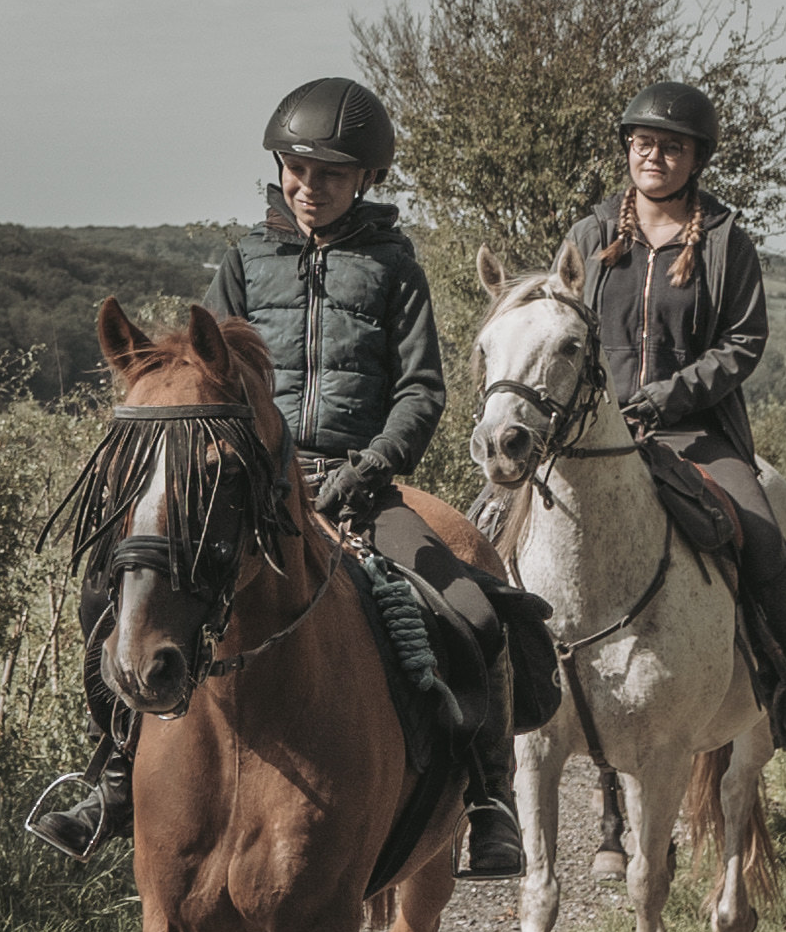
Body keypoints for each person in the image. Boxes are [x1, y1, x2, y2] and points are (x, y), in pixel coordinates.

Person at [32, 75, 526, 872]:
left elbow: (420, 388)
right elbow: (204, 375)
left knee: (470, 608)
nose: (308, 187)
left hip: (360, 482)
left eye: (329, 173)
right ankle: (116, 782)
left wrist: (373, 465)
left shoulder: (393, 263)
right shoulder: (244, 262)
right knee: (111, 594)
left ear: (365, 179)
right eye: (296, 169)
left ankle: (487, 797)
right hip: (246, 482)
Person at [559, 82, 786, 752]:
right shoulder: (589, 233)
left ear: (695, 159)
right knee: (489, 521)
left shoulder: (722, 240)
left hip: (692, 430)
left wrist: (663, 397)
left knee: (767, 542)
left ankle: (781, 689)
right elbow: (560, 325)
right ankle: (503, 687)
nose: (653, 156)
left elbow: (743, 341)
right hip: (593, 432)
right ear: (627, 150)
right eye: (643, 144)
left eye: (670, 148)